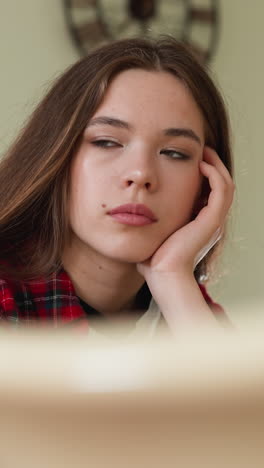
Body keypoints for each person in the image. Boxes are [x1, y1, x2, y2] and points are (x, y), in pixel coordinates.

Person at [0, 37, 234, 337]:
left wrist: (171, 275)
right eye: (106, 142)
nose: (140, 173)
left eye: (175, 152)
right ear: (56, 158)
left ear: (207, 185)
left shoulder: (190, 308)